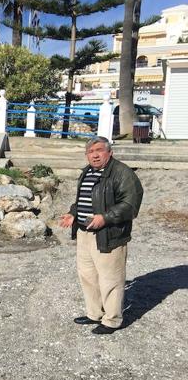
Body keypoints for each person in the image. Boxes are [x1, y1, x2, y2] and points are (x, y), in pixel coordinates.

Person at [59, 136, 143, 335]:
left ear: (109, 152)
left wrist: (105, 218)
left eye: (99, 150)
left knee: (110, 278)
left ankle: (112, 320)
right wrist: (73, 213)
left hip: (109, 234)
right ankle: (94, 313)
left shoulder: (122, 173)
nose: (94, 155)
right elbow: (82, 200)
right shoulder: (87, 172)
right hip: (84, 233)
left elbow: (130, 205)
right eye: (90, 152)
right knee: (88, 276)